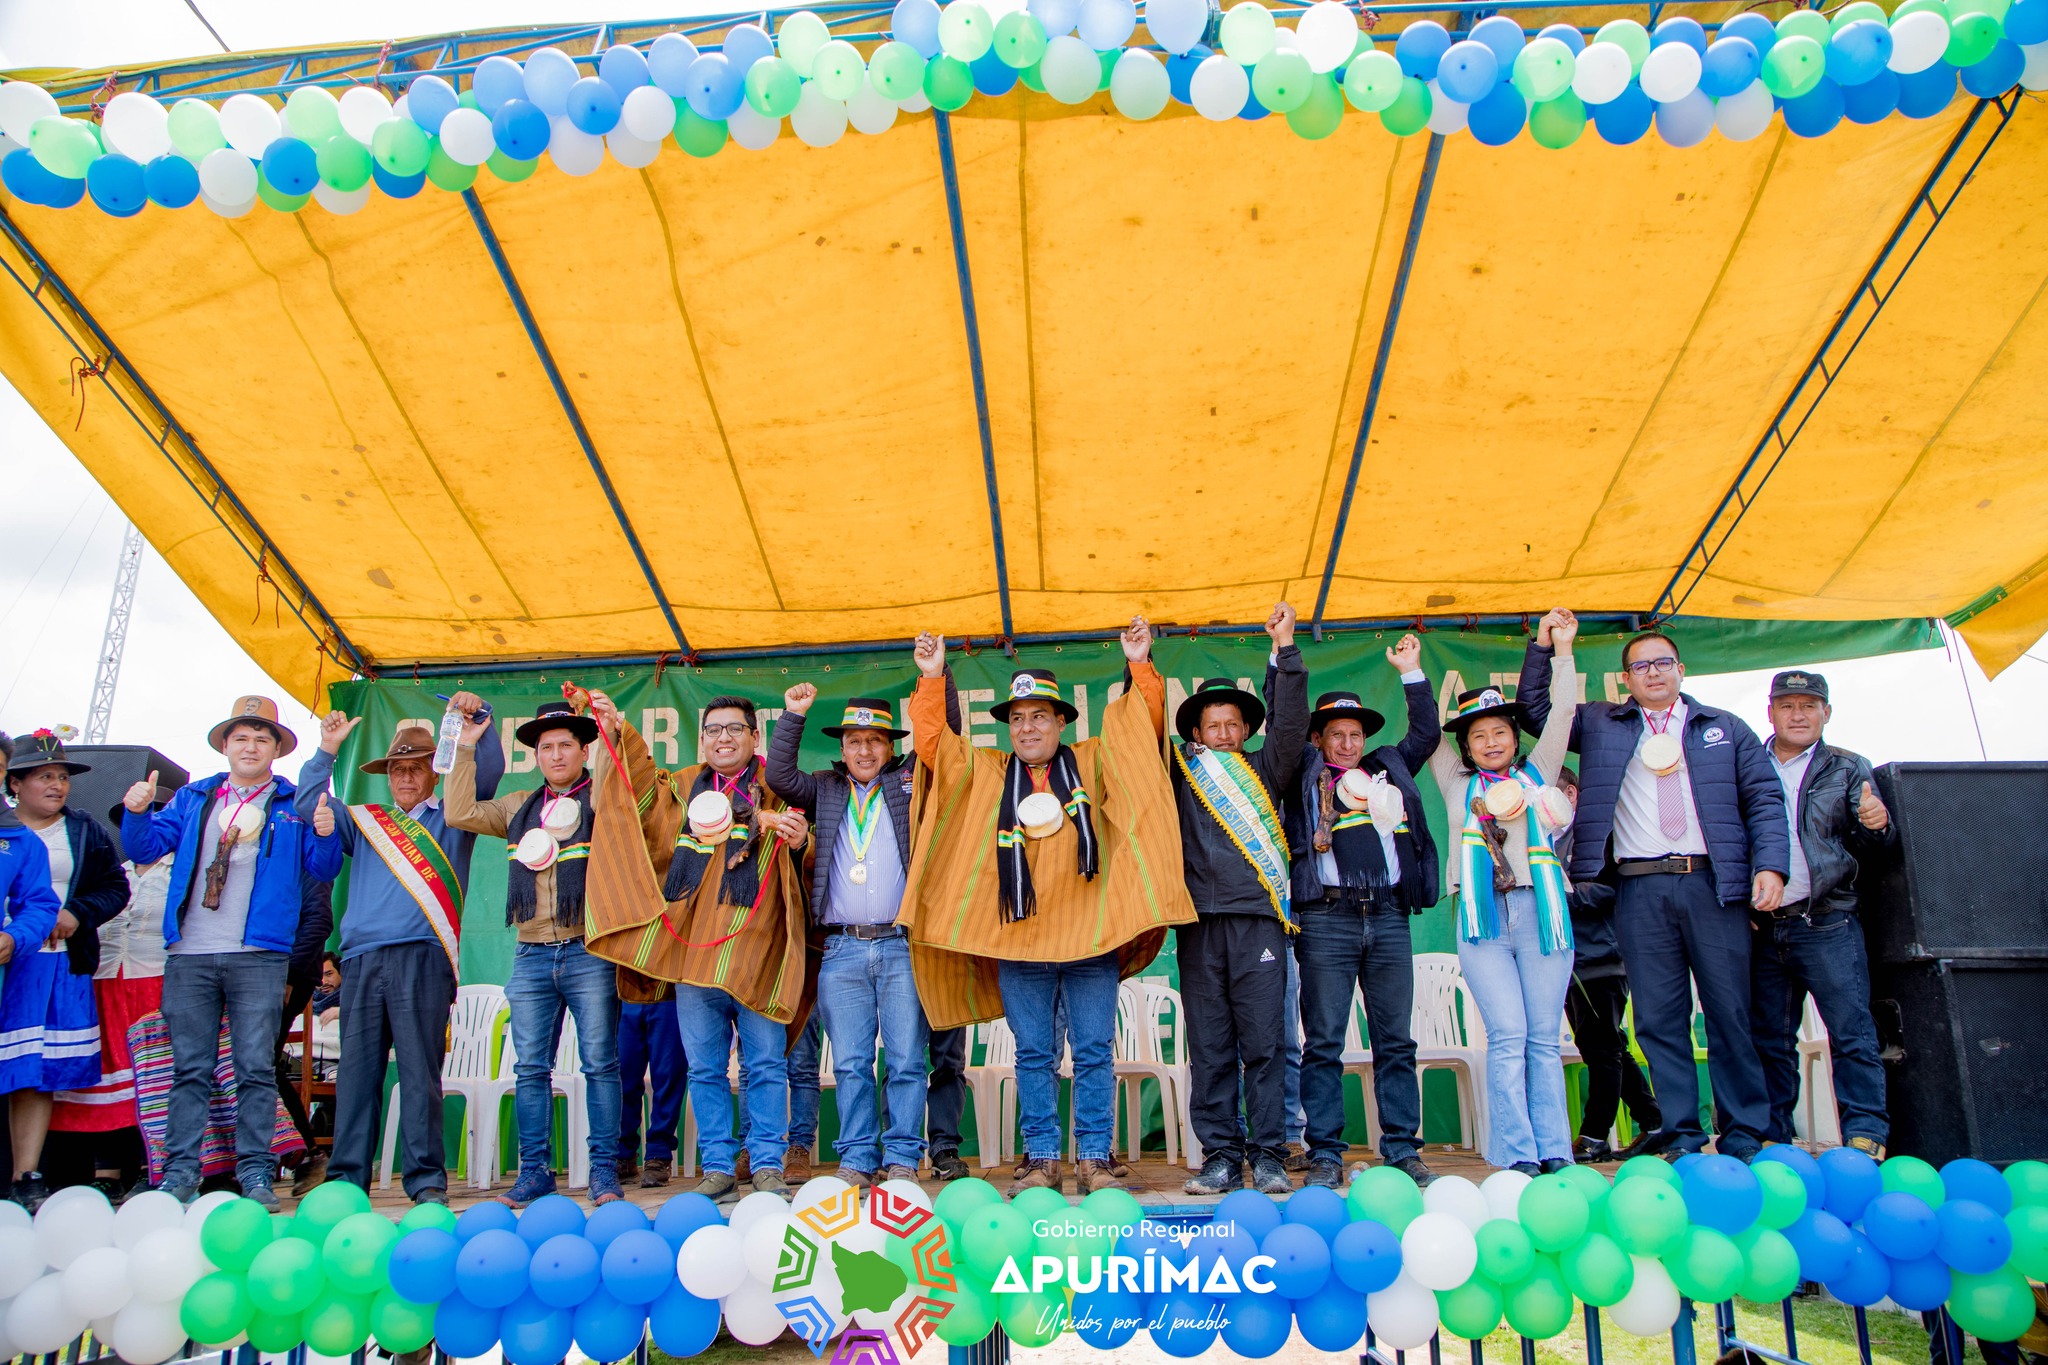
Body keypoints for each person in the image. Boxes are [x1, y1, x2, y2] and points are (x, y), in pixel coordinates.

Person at [901, 620, 1195, 1195]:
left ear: (1061, 721)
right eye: (1017, 717)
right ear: (1007, 726)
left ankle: (1093, 1155)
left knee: (1092, 1050)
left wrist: (1139, 664)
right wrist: (932, 678)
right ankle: (1039, 1158)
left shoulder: (1093, 760)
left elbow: (1143, 735)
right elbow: (936, 746)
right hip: (1020, 940)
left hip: (1091, 936)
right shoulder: (988, 775)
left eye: (1039, 715)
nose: (1027, 726)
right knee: (1034, 1052)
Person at [1520, 630, 1787, 1161]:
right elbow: (1534, 713)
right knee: (1659, 1019)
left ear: (1681, 669)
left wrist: (1772, 867)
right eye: (1640, 667)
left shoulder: (1724, 729)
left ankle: (1744, 1134)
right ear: (1626, 679)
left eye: (1663, 663)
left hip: (1713, 884)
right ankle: (1682, 1134)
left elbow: (1762, 797)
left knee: (1729, 1011)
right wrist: (1546, 647)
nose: (1654, 673)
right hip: (1638, 887)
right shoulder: (1602, 724)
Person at [583, 690, 811, 1201]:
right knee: (706, 1069)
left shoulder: (777, 790)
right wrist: (617, 730)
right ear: (702, 740)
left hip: (759, 952)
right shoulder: (683, 788)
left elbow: (815, 850)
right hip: (694, 958)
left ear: (756, 738)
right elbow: (637, 790)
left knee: (766, 1066)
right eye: (713, 731)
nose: (723, 738)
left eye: (735, 729)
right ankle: (718, 1166)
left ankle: (768, 1163)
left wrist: (801, 841)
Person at [121, 695, 343, 1208]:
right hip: (190, 955)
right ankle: (179, 1174)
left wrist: (327, 835)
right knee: (190, 1068)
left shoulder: (290, 802)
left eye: (262, 738)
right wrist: (135, 814)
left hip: (259, 955)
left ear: (277, 750)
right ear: (225, 745)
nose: (250, 746)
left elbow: (324, 867)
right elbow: (145, 848)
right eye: (241, 737)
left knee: (255, 1068)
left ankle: (256, 1174)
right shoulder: (194, 798)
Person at [299, 703, 506, 1205]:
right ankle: (347, 1179)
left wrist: (483, 720)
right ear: (387, 776)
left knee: (418, 1071)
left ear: (433, 771)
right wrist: (326, 752)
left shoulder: (454, 816)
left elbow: (490, 770)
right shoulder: (368, 823)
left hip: (424, 957)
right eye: (397, 768)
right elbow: (310, 805)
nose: (406, 776)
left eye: (416, 767)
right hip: (363, 959)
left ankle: (425, 1180)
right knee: (357, 1073)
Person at [1271, 632, 1442, 1189]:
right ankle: (1325, 1152)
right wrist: (1281, 656)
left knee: (1396, 1039)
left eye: (1355, 734)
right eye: (1336, 735)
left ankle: (1402, 1148)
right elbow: (1283, 723)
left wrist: (1412, 673)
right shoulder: (1302, 771)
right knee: (1323, 1041)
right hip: (1327, 918)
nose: (1347, 744)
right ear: (1317, 738)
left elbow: (1427, 734)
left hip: (1388, 915)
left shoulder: (1387, 766)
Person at [445, 698, 625, 1206]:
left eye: (566, 744)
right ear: (537, 756)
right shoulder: (517, 805)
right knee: (529, 1069)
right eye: (547, 747)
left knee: (600, 1064)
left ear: (584, 750)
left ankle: (604, 1172)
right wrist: (464, 748)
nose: (556, 754)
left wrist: (610, 728)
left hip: (589, 950)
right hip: (531, 954)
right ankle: (534, 1172)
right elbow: (459, 812)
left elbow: (619, 779)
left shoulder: (602, 798)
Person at [1425, 611, 1580, 1175]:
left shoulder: (1538, 773)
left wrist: (1561, 649)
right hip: (1482, 921)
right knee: (1508, 1035)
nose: (1491, 742)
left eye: (1500, 732)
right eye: (1479, 735)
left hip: (1542, 914)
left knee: (1543, 1037)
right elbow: (1426, 733)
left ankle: (1555, 1152)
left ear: (1515, 739)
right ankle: (1517, 1155)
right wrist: (1413, 674)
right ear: (1465, 746)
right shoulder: (1455, 782)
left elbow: (1562, 713)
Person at [767, 688, 933, 1186]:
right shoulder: (825, 788)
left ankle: (903, 1156)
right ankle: (858, 1157)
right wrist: (793, 714)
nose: (864, 751)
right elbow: (778, 777)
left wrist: (933, 677)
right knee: (853, 1062)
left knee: (906, 1058)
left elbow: (946, 750)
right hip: (840, 948)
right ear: (842, 748)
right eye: (855, 741)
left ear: (890, 747)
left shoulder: (909, 785)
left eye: (875, 741)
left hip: (900, 943)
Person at [1171, 602, 1309, 1196]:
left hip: (1258, 922)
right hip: (1200, 924)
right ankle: (1221, 1156)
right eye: (1212, 725)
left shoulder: (1265, 769)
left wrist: (1286, 651)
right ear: (1195, 733)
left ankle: (1271, 1154)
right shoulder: (1179, 775)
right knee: (1210, 1044)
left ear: (1245, 730)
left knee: (1266, 1042)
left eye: (1233, 724)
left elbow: (1291, 725)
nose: (1223, 734)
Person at [1749, 669, 1895, 1157]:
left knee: (1851, 1031)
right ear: (1770, 712)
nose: (1798, 714)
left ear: (1826, 713)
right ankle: (1774, 1137)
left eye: (1809, 706)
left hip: (1828, 919)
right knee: (1769, 1038)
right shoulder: (1746, 762)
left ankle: (1865, 1134)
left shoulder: (1849, 767)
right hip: (1763, 925)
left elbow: (1876, 849)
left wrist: (1878, 825)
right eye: (1787, 705)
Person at [2, 731, 128, 1209]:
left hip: (58, 965)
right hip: (8, 963)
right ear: (14, 783)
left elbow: (115, 888)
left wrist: (77, 912)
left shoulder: (84, 830)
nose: (57, 785)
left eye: (62, 777)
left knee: (38, 1072)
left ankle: (26, 1175)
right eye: (43, 776)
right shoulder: (4, 829)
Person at [55, 790, 174, 1200]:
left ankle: (150, 1166)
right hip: (106, 984)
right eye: (133, 817)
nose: (142, 823)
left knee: (150, 1078)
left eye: (153, 816)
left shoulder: (183, 872)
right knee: (106, 1080)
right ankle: (106, 1170)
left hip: (154, 983)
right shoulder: (115, 872)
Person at [1552, 768, 1661, 1162]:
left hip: (1602, 958)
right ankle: (1654, 1121)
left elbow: (1610, 890)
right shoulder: (1545, 840)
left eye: (1553, 794)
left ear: (1572, 794)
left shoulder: (1596, 837)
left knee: (1601, 1049)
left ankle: (1595, 1135)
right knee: (1606, 1045)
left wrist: (1560, 893)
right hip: (1568, 961)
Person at [616, 992, 685, 1188]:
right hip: (626, 989)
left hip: (668, 990)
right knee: (622, 1075)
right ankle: (623, 1154)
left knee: (669, 1076)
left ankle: (659, 1154)